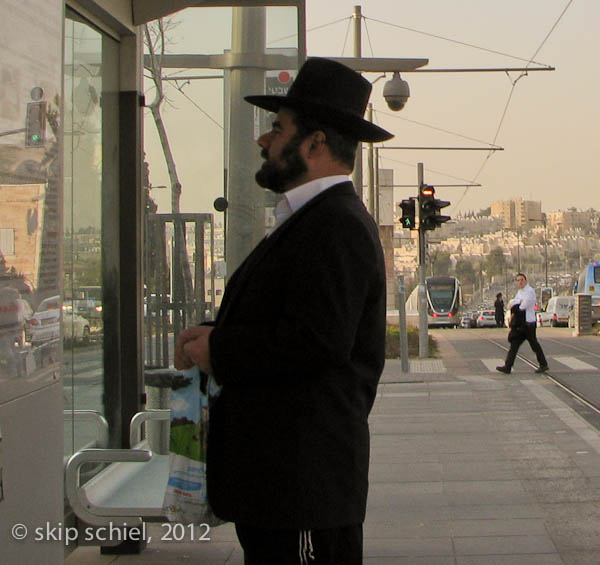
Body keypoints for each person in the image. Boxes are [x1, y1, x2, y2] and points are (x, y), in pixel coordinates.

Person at [174, 57, 392, 565]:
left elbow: (317, 342)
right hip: (286, 486)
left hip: (301, 488)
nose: (263, 141)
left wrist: (220, 349)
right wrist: (215, 335)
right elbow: (293, 323)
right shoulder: (314, 220)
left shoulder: (332, 225)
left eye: (277, 128)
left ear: (315, 144)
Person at [496, 273, 549, 374]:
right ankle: (508, 366)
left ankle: (543, 364)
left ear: (525, 281)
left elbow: (523, 306)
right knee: (514, 345)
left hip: (528, 323)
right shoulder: (519, 292)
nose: (520, 282)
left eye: (522, 280)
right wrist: (516, 303)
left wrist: (517, 303)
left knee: (534, 344)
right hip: (520, 324)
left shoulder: (530, 291)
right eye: (518, 280)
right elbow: (512, 303)